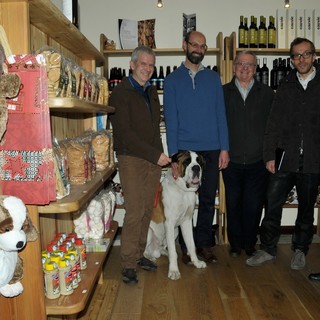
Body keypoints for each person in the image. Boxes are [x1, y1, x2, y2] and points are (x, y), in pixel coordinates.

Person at [246, 37, 320, 270]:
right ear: (291, 60)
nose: (302, 59)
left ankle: (300, 249)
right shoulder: (285, 86)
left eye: (306, 54)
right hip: (284, 159)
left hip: (313, 160)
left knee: (306, 209)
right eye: (297, 55)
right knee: (272, 203)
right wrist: (269, 156)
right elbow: (273, 125)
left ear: (314, 56)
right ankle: (268, 248)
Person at [163, 30, 229, 264]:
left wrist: (224, 148)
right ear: (185, 45)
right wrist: (173, 156)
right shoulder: (171, 80)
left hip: (211, 150)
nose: (198, 49)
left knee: (208, 198)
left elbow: (221, 114)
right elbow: (171, 120)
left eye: (202, 46)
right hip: (184, 152)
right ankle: (185, 249)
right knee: (182, 202)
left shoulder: (213, 78)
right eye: (194, 45)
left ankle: (203, 244)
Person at [109, 46, 171, 284]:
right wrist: (155, 155)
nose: (147, 68)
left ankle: (139, 255)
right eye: (143, 63)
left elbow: (155, 129)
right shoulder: (120, 93)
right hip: (131, 159)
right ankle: (127, 263)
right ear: (132, 64)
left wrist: (159, 155)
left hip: (153, 160)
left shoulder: (151, 91)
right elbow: (125, 134)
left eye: (151, 65)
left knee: (147, 210)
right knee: (134, 212)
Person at [222, 51, 274, 257]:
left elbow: (273, 128)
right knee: (233, 203)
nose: (245, 68)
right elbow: (218, 125)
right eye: (241, 64)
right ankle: (235, 245)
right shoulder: (223, 92)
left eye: (250, 65)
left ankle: (250, 243)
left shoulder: (267, 93)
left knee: (253, 205)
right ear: (234, 67)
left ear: (255, 69)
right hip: (231, 160)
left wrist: (270, 155)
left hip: (257, 161)